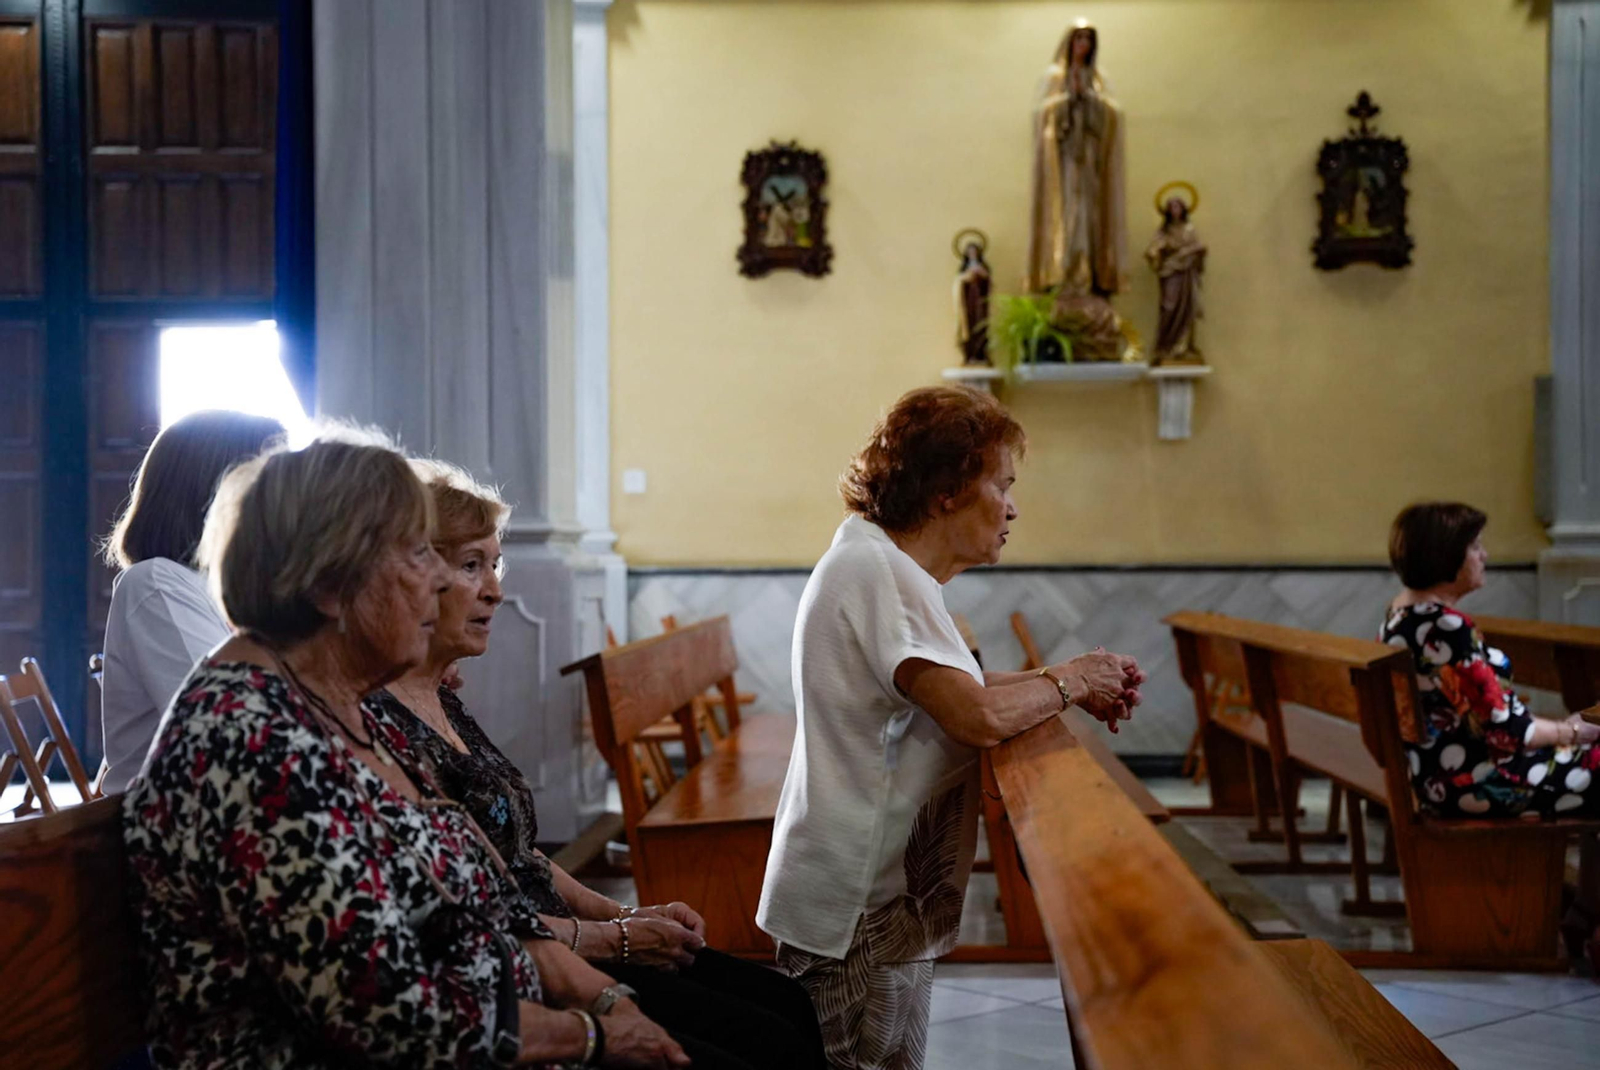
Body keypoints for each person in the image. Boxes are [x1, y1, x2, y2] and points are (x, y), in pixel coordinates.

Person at [123, 428, 687, 1070]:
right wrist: (596, 1038)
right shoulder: (246, 738)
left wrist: (609, 999)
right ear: (329, 584)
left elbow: (491, 902)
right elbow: (389, 1015)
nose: (437, 585)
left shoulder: (348, 706)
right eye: (418, 557)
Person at [372, 459, 827, 1070]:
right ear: (414, 576)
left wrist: (627, 913)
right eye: (471, 564)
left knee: (783, 1000)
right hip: (529, 967)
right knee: (761, 1041)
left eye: (494, 564)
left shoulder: (442, 695)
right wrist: (618, 940)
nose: (495, 589)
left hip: (572, 939)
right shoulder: (383, 727)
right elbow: (482, 910)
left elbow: (523, 853)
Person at [757, 386, 1145, 1070]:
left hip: (871, 903)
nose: (1013, 506)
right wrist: (1072, 681)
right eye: (1002, 483)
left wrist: (1070, 683)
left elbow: (952, 691)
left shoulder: (883, 565)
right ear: (946, 491)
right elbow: (975, 717)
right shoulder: (879, 572)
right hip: (858, 908)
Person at [99, 410, 284, 794]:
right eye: (271, 485)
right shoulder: (156, 584)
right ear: (214, 493)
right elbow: (230, 730)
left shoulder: (237, 590)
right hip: (175, 823)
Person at [1381, 502, 1600, 819]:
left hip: (1443, 775)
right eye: (1474, 546)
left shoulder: (1401, 617)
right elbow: (1507, 730)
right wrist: (1573, 731)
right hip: (1478, 781)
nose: (1483, 555)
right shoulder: (1444, 627)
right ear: (1447, 554)